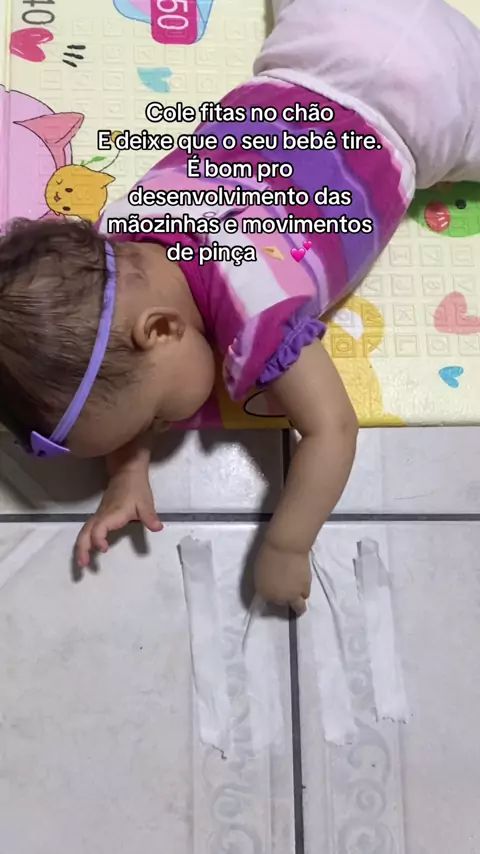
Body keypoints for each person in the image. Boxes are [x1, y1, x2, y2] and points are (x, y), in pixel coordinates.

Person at [1, 0, 479, 614]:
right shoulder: (130, 225)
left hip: (429, 107)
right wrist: (127, 471)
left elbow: (331, 430)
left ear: (162, 329)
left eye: (154, 418)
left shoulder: (258, 307)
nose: (163, 427)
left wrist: (286, 544)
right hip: (326, 38)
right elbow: (115, 362)